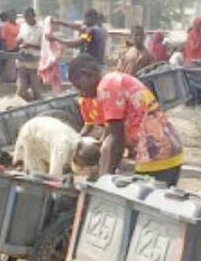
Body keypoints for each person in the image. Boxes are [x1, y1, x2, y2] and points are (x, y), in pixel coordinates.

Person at [68, 53, 184, 185]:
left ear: (87, 74)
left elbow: (116, 138)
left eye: (79, 86)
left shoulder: (106, 87)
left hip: (156, 153)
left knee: (143, 201)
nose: (80, 93)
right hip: (168, 148)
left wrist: (104, 181)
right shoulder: (114, 79)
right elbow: (110, 134)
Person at [11, 115, 101, 177]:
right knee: (37, 175)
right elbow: (54, 175)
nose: (81, 167)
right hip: (31, 134)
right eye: (83, 165)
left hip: (40, 127)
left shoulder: (78, 141)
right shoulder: (63, 148)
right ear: (81, 157)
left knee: (43, 170)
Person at [17, 7, 43, 101]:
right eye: (25, 17)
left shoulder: (41, 29)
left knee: (36, 89)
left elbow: (43, 47)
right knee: (21, 91)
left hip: (35, 62)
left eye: (29, 17)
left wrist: (30, 45)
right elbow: (19, 39)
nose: (27, 19)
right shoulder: (23, 26)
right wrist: (18, 42)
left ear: (34, 16)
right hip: (22, 61)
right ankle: (31, 103)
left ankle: (37, 105)